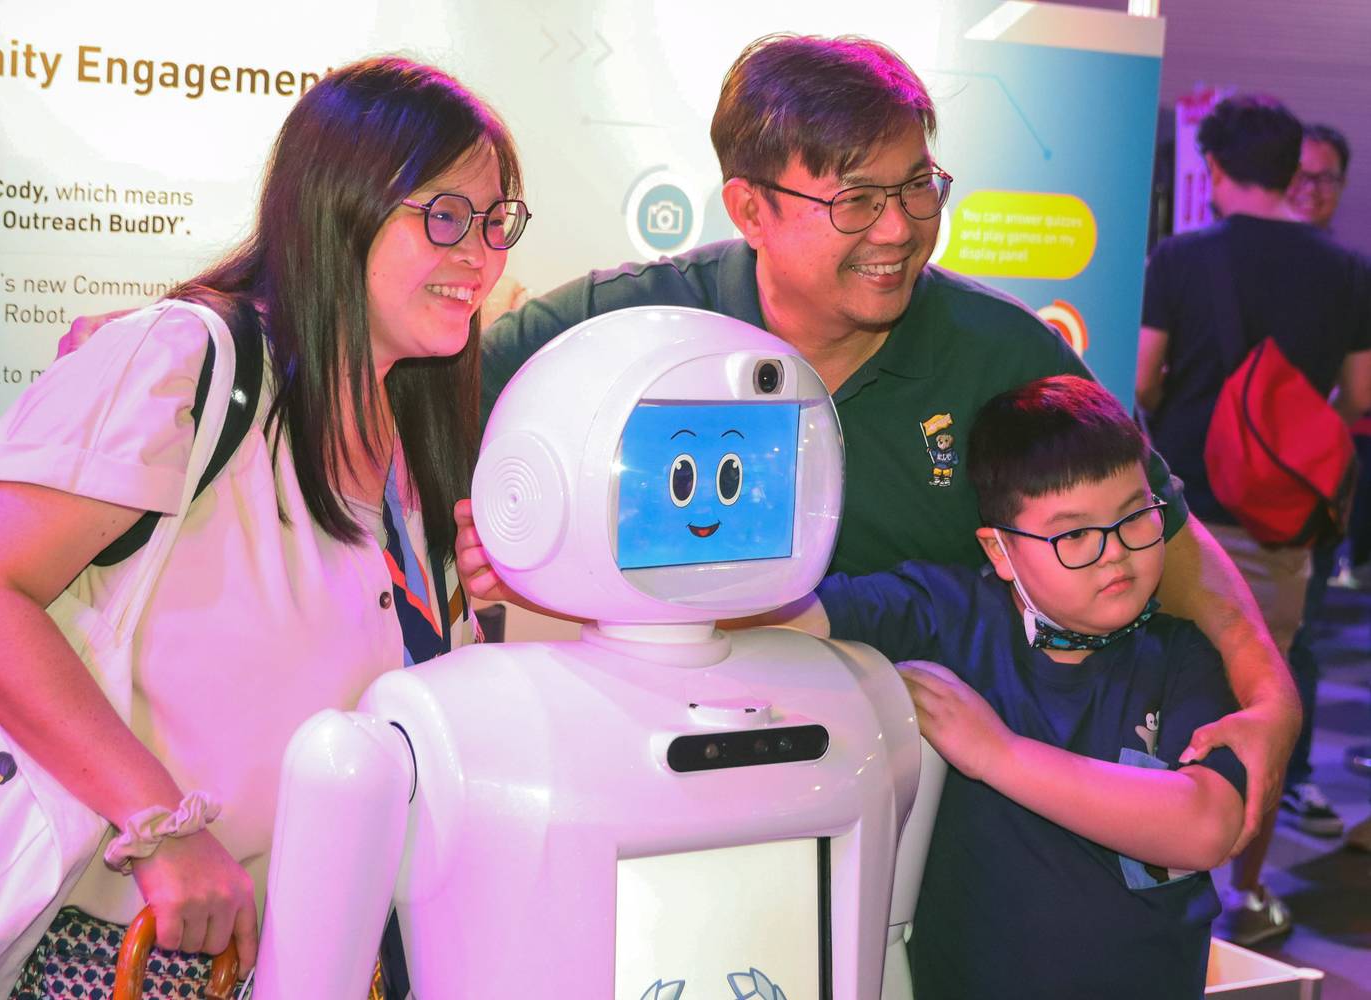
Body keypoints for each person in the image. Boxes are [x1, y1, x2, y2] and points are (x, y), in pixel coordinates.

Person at [471, 33, 1297, 853]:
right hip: (638, 798)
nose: (899, 230)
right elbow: (398, 426)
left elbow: (1163, 536)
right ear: (750, 208)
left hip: (912, 826)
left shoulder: (999, 352)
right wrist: (482, 537)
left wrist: (1269, 698)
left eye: (918, 188)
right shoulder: (621, 328)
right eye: (856, 200)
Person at [0, 57, 527, 997]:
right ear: (339, 205)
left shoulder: (418, 435)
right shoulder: (186, 360)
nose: (480, 254)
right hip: (134, 954)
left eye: (496, 222)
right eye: (444, 215)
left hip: (325, 956)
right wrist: (161, 822)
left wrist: (485, 612)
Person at [759, 376, 1244, 999]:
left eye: (1135, 518)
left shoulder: (1181, 657)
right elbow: (788, 617)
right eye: (1074, 535)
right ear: (1001, 552)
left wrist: (998, 754)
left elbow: (1205, 826)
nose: (1115, 554)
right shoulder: (948, 616)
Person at [1136, 94, 1371, 944]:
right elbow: (1364, 396)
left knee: (1157, 689)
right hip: (1283, 527)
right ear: (1293, 170)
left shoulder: (1181, 256)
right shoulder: (1348, 270)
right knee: (1260, 699)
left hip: (1182, 512)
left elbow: (1143, 378)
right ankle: (1247, 885)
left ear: (1218, 171)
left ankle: (1147, 865)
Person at [1279, 122, 1371, 840]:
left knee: (1299, 638)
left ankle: (1292, 777)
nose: (1312, 190)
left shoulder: (1346, 276)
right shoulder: (1335, 272)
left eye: (1326, 178)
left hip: (1303, 493)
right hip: (1228, 490)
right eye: (1300, 175)